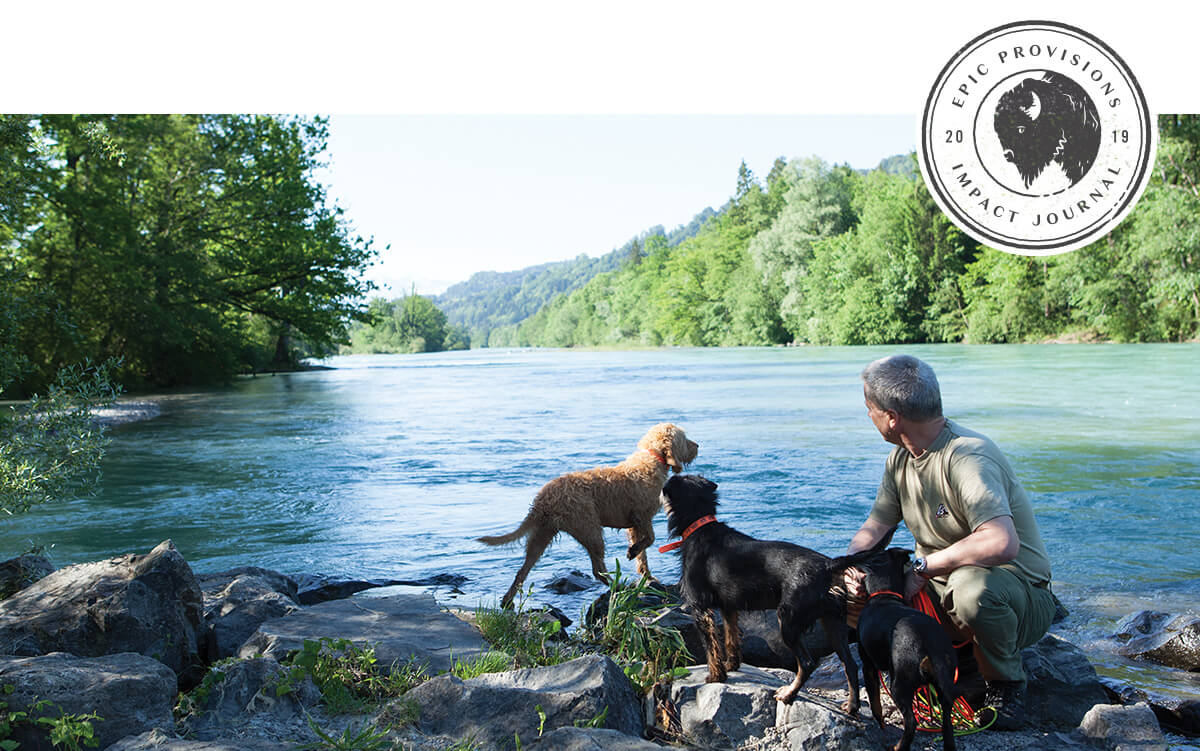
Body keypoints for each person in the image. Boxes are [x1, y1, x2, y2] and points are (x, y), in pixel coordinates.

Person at [844, 354, 1055, 731]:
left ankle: (1005, 684)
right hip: (943, 585)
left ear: (891, 417)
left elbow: (1001, 543)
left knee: (972, 589)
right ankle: (941, 667)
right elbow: (875, 528)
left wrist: (923, 568)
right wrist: (849, 570)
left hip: (1017, 593)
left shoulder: (968, 457)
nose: (868, 415)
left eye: (869, 409)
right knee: (853, 592)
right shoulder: (901, 460)